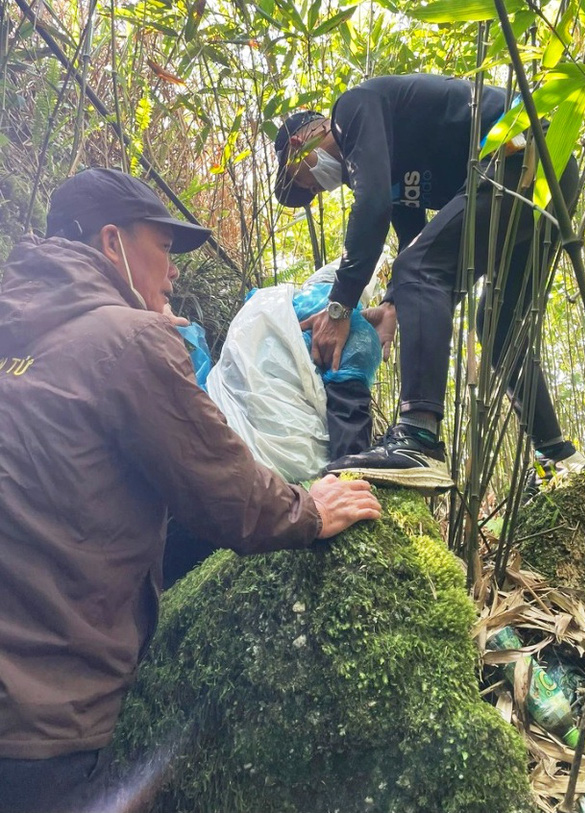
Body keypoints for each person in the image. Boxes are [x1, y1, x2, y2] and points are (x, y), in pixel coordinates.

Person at [0, 167, 381, 813]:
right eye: (165, 247)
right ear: (111, 241)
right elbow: (224, 494)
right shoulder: (128, 341)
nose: (172, 271)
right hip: (45, 712)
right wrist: (308, 509)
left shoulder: (20, 332)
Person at [274, 73, 585, 492]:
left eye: (303, 181)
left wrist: (339, 307)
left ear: (299, 143)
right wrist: (391, 306)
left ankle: (418, 439)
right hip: (554, 174)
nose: (314, 189)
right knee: (499, 324)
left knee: (419, 271)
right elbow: (412, 237)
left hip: (526, 156)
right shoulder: (382, 155)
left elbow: (375, 209)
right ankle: (557, 455)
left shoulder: (352, 109)